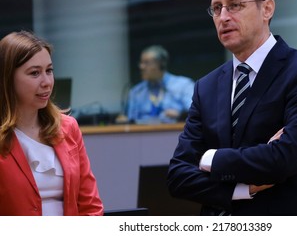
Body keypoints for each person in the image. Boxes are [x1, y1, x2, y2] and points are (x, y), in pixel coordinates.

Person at [167, 0, 297, 215]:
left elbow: (284, 159)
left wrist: (209, 159)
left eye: (235, 5)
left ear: (267, 9)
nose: (223, 17)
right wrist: (243, 190)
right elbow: (178, 176)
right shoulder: (206, 86)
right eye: (217, 8)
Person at [0, 30, 104, 216]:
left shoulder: (68, 127)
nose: (47, 82)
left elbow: (90, 206)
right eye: (34, 73)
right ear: (7, 78)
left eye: (49, 71)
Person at [126, 45, 195, 124]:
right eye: (141, 62)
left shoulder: (184, 85)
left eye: (146, 63)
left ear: (161, 65)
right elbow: (130, 123)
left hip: (175, 133)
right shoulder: (136, 92)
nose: (141, 67)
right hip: (142, 135)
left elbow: (195, 114)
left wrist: (179, 115)